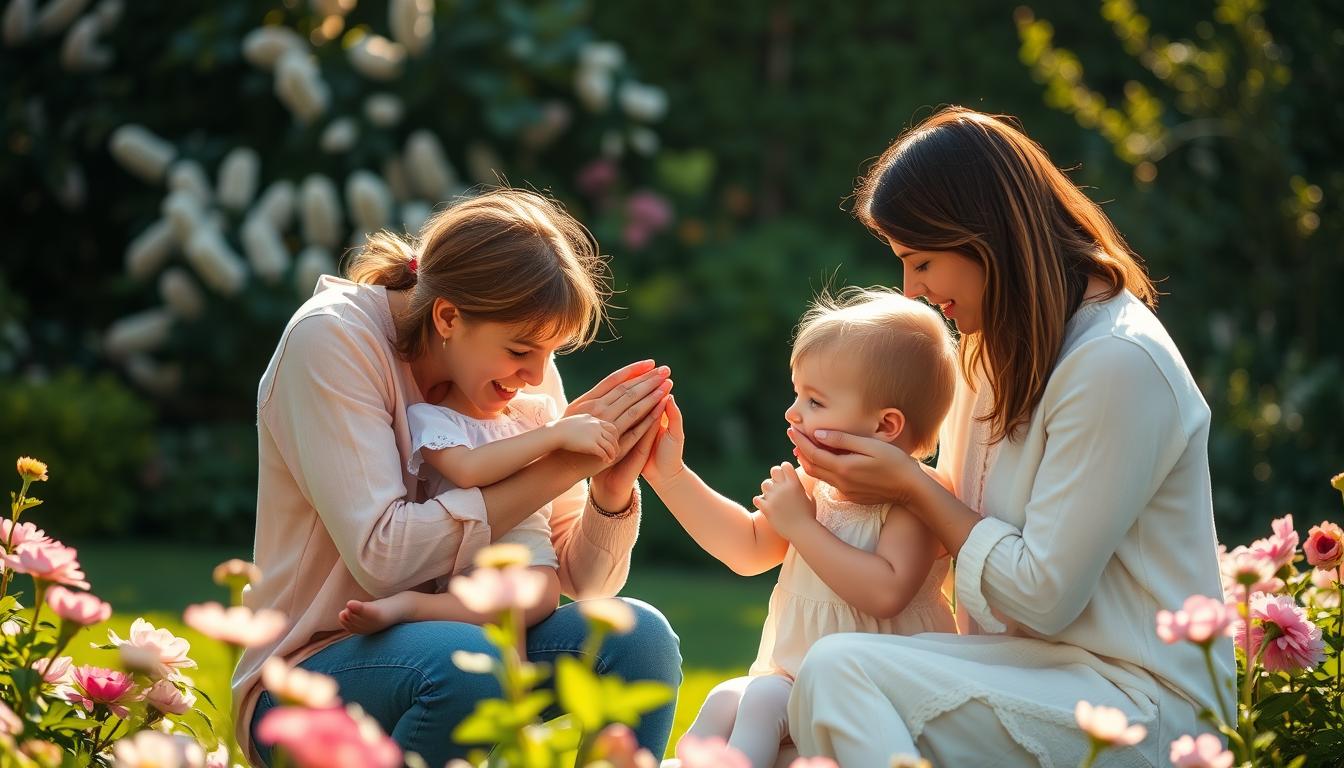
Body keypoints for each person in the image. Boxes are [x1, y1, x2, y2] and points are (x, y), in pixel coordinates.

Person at [785, 107, 1233, 767]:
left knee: (837, 675)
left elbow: (1043, 598)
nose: (912, 289)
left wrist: (908, 484)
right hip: (1026, 672)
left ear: (984, 237)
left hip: (1138, 705)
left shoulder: (1116, 361)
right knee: (782, 707)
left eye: (923, 261)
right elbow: (955, 536)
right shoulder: (989, 349)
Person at [233, 189, 682, 766]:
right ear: (447, 316)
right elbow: (383, 555)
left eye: (551, 351)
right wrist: (564, 463)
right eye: (522, 349)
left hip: (477, 649)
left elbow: (580, 580)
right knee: (469, 660)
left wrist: (609, 491)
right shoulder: (333, 340)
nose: (539, 375)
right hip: (309, 676)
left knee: (637, 638)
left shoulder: (514, 371)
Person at [644, 289, 960, 768]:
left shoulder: (915, 499)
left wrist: (801, 526)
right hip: (793, 677)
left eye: (814, 401)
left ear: (885, 425)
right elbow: (748, 549)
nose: (793, 413)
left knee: (764, 700)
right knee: (726, 699)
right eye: (798, 395)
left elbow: (886, 592)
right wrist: (670, 475)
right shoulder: (816, 486)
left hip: (873, 689)